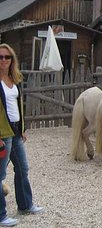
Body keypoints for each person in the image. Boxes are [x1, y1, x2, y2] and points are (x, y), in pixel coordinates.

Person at [0, 44, 44, 227]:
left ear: (12, 60)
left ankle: (25, 205)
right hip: (3, 133)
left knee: (23, 168)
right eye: (0, 57)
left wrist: (23, 128)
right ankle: (1, 216)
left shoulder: (14, 78)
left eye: (7, 57)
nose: (3, 60)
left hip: (16, 131)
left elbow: (18, 106)